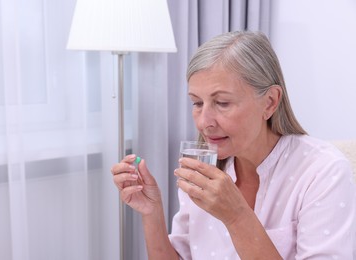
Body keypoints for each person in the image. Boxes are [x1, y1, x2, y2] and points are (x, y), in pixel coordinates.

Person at [110, 31, 356, 259]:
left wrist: (237, 216)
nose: (205, 122)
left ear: (270, 102)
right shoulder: (201, 168)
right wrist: (152, 213)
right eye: (197, 103)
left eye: (223, 103)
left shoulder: (322, 171)